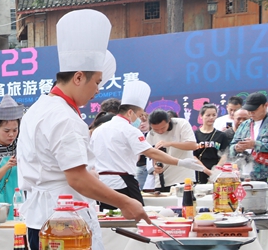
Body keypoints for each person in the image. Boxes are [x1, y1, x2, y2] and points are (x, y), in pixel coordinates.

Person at [17, 9, 148, 250]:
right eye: (97, 82)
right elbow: (76, 178)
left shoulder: (40, 107)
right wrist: (125, 202)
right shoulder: (64, 117)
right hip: (63, 226)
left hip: (43, 219)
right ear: (78, 77)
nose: (98, 90)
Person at [92, 80, 204, 211]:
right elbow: (151, 152)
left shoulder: (99, 130)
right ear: (130, 113)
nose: (140, 119)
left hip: (101, 184)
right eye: (140, 115)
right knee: (136, 216)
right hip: (123, 182)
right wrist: (181, 162)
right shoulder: (129, 129)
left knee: (108, 217)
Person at [146, 110, 200, 189]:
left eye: (163, 127)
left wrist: (170, 143)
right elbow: (153, 154)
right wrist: (155, 167)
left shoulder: (181, 124)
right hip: (162, 179)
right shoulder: (151, 134)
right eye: (156, 129)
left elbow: (193, 145)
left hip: (183, 176)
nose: (160, 131)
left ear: (169, 120)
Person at [228, 92, 268, 181]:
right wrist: (236, 148)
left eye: (254, 109)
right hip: (245, 175)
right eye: (249, 109)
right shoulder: (244, 125)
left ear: (265, 105)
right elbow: (231, 147)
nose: (251, 112)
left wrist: (255, 144)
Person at [194, 103, 233, 184]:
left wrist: (216, 170)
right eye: (208, 115)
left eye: (214, 115)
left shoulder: (221, 135)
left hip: (217, 171)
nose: (211, 118)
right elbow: (193, 155)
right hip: (199, 170)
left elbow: (225, 154)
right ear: (201, 116)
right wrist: (207, 171)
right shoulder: (195, 134)